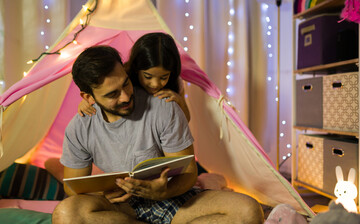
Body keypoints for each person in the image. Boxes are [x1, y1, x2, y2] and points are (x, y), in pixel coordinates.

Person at [52, 45, 264, 224]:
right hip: (124, 207)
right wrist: (103, 194)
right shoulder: (79, 128)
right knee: (65, 214)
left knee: (249, 211)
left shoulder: (164, 107)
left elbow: (189, 172)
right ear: (88, 97)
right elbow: (73, 187)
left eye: (125, 83)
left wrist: (162, 192)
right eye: (112, 94)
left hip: (173, 199)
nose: (126, 96)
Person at [78, 32, 190, 122]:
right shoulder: (125, 77)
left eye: (163, 77)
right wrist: (87, 102)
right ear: (136, 68)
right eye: (148, 76)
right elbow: (104, 94)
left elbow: (186, 119)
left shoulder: (175, 83)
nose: (155, 84)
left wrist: (179, 101)